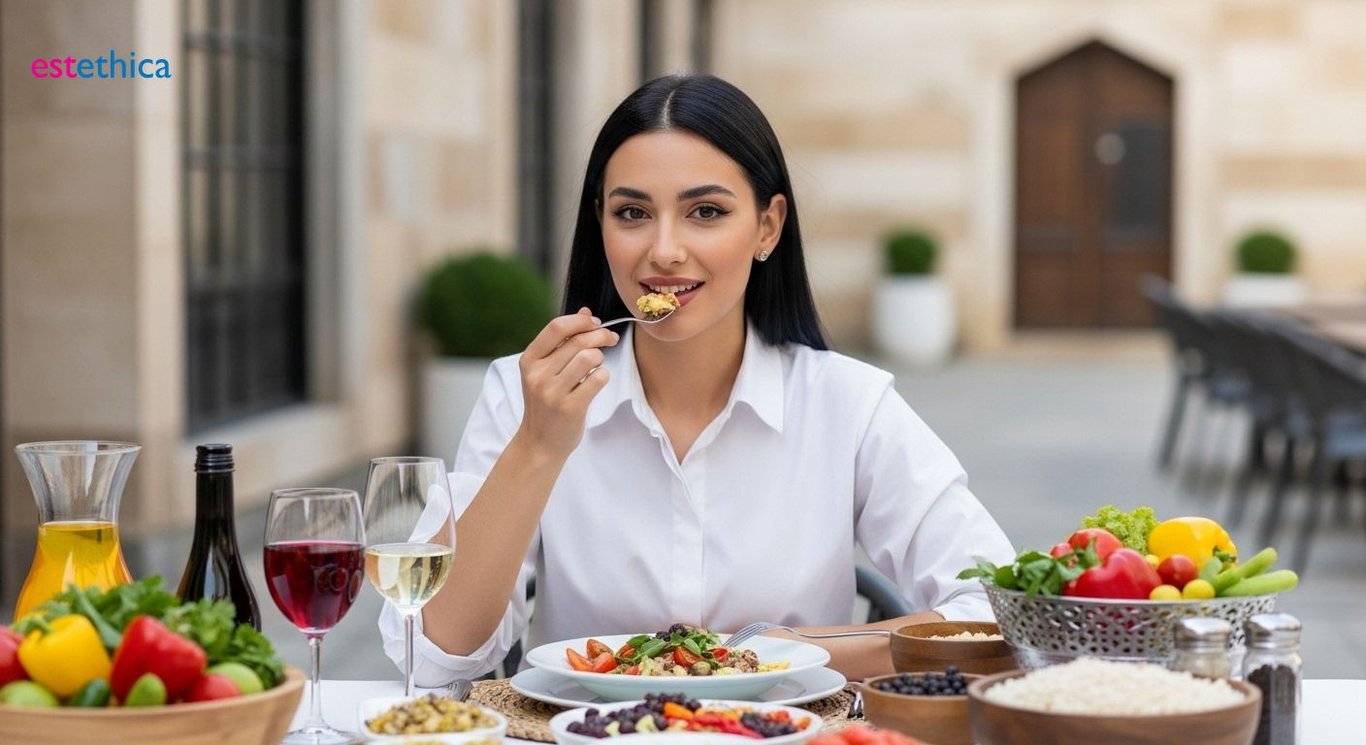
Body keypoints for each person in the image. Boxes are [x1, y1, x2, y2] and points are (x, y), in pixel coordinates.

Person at [381, 74, 1014, 685]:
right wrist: (537, 446)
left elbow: (1000, 612)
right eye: (632, 212)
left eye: (705, 211)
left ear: (767, 226)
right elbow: (433, 657)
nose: (663, 250)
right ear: (600, 224)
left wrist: (788, 654)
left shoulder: (848, 405)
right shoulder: (526, 396)